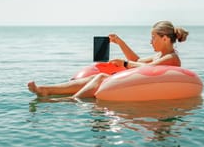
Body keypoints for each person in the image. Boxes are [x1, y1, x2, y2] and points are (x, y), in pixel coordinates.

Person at [27, 21, 189, 99]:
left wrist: (124, 64)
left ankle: (71, 100)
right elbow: (138, 60)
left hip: (147, 89)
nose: (150, 41)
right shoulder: (159, 55)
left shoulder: (171, 58)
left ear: (166, 39)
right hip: (140, 85)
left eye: (153, 38)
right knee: (93, 77)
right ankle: (47, 89)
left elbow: (149, 68)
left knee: (102, 77)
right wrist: (119, 42)